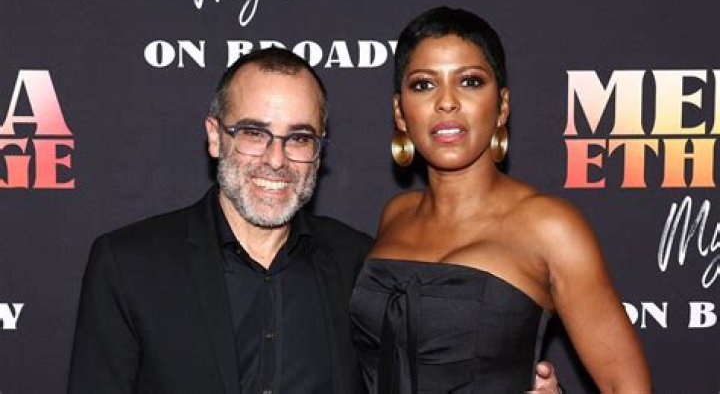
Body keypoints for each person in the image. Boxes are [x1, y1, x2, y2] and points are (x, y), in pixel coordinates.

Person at [68, 48, 561, 393]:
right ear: (216, 136)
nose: (276, 159)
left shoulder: (362, 266)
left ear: (320, 151)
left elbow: (429, 375)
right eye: (254, 133)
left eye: (299, 138)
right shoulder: (130, 264)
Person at [349, 7, 652, 393]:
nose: (447, 102)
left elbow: (627, 386)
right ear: (400, 113)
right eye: (424, 85)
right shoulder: (396, 214)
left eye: (470, 81)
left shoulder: (550, 227)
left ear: (502, 105)